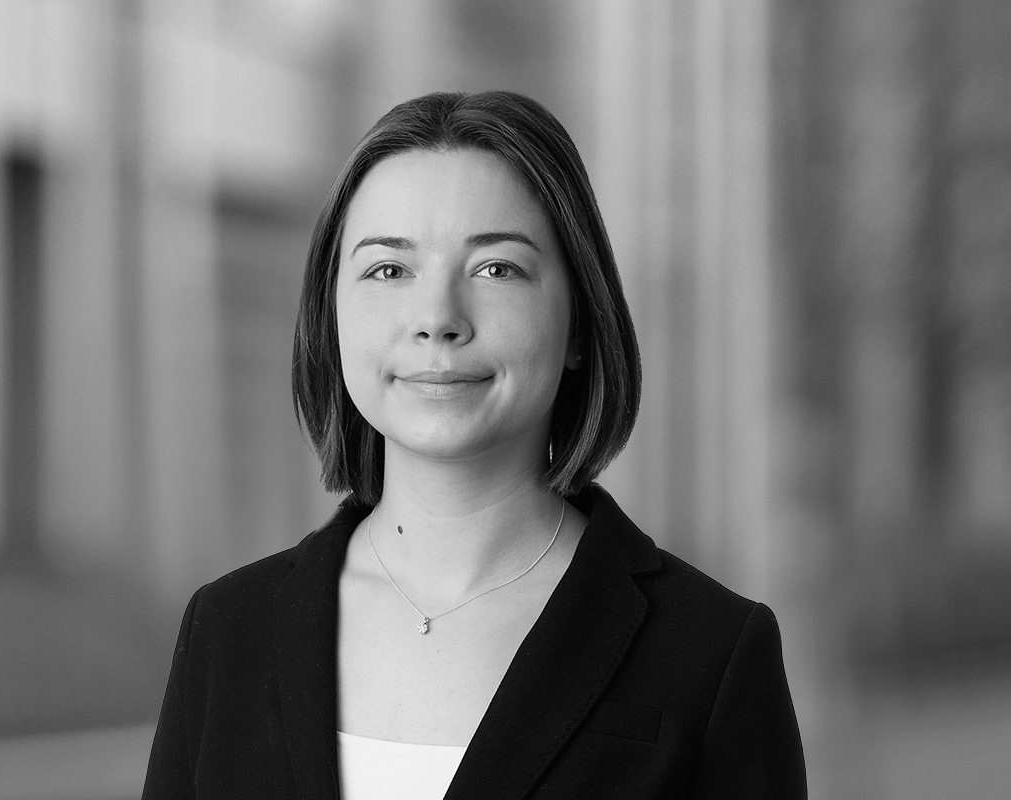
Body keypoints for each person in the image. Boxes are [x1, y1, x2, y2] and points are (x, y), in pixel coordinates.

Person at [142, 91, 806, 799]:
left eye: (496, 269)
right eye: (388, 270)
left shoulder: (709, 654)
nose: (437, 319)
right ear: (330, 316)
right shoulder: (226, 632)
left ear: (580, 323)